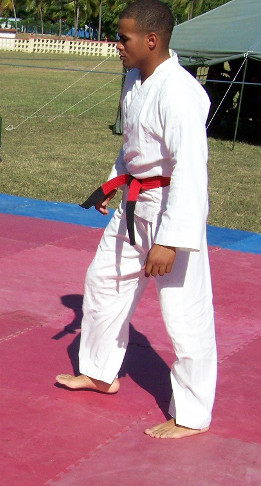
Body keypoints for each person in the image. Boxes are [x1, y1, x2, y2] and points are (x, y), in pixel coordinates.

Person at [54, 0, 216, 439]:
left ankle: (192, 414)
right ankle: (101, 372)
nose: (116, 46)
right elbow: (133, 146)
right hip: (134, 204)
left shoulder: (180, 92)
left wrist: (172, 239)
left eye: (123, 38)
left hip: (168, 210)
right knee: (103, 282)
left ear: (151, 40)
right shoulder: (133, 80)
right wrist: (111, 184)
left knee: (183, 312)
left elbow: (191, 168)